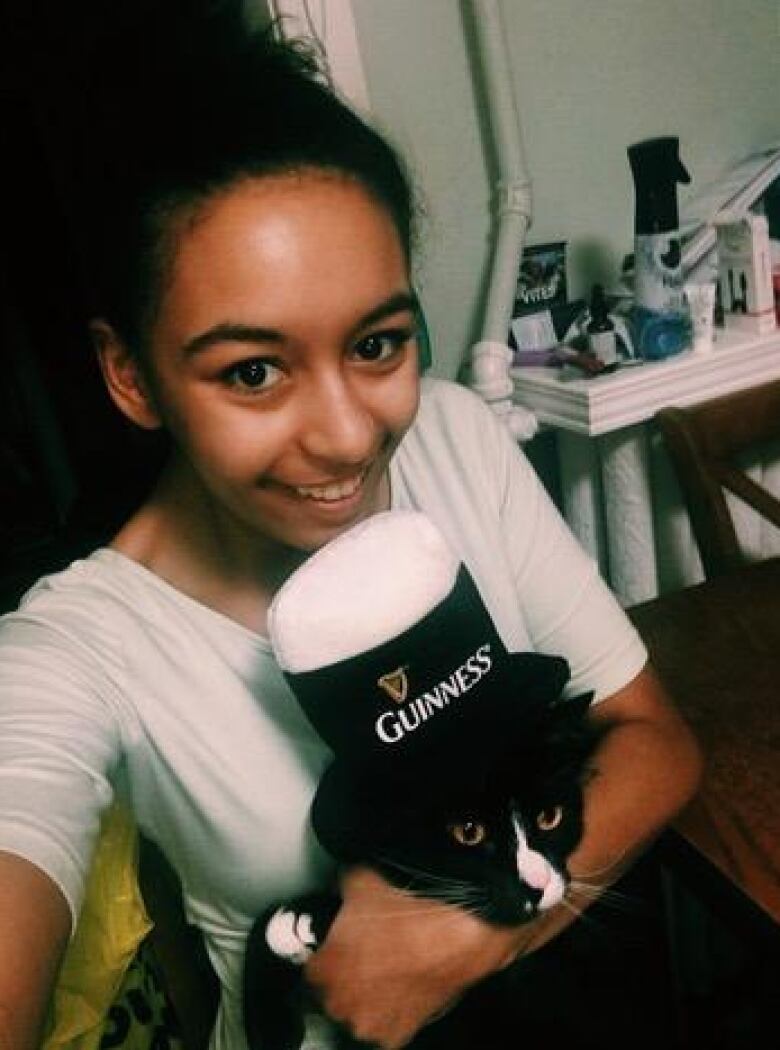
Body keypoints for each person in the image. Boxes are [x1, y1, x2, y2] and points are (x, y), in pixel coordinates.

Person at [0, 7, 702, 1050]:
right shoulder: (81, 646)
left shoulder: (457, 441)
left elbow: (654, 741)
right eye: (252, 371)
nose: (345, 438)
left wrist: (466, 936)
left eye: (378, 344)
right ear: (130, 373)